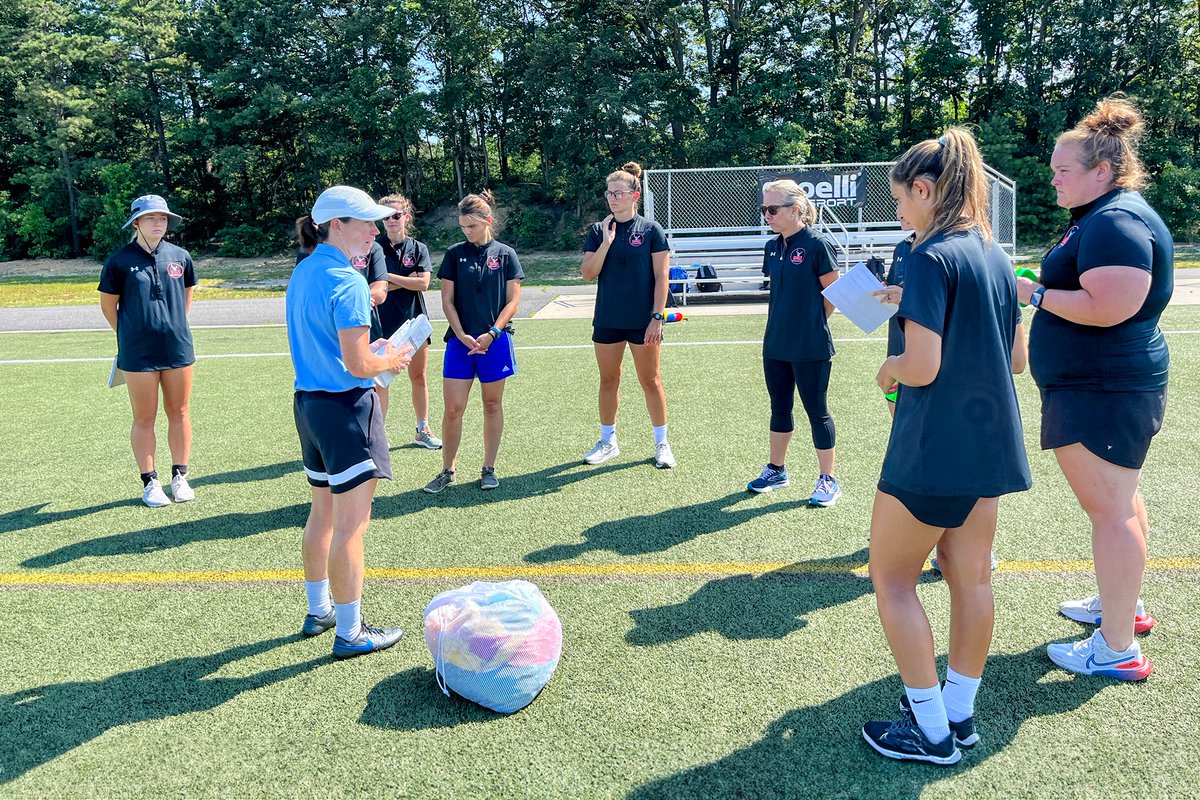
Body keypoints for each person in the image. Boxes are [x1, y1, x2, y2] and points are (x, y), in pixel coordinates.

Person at [862, 129, 1031, 765]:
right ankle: (958, 714)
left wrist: (890, 369)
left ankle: (931, 731)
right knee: (972, 580)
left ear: (927, 191)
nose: (897, 211)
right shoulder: (993, 252)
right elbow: (1017, 358)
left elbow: (923, 366)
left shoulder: (928, 255)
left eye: (900, 199)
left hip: (934, 447)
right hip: (989, 445)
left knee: (893, 581)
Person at [1019, 96, 1171, 681]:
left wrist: (1031, 294)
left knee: (1109, 511)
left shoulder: (1115, 220)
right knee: (1119, 503)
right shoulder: (1104, 214)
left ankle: (1115, 648)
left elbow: (1110, 305)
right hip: (1100, 384)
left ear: (1101, 171)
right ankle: (1121, 609)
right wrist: (1041, 283)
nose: (1052, 178)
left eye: (1062, 170)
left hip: (1103, 387)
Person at [287, 185, 413, 659]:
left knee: (322, 514)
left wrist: (370, 357)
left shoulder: (305, 270)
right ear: (337, 225)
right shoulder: (347, 278)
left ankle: (319, 610)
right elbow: (359, 363)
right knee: (351, 527)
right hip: (345, 409)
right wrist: (390, 357)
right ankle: (351, 631)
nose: (375, 232)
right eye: (365, 223)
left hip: (309, 406)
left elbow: (335, 349)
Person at [98, 195, 198, 508]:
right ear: (137, 222)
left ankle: (180, 476)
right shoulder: (118, 261)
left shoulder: (180, 256)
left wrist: (171, 327)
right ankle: (150, 482)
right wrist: (131, 334)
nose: (159, 223)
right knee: (144, 417)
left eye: (163, 218)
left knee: (179, 411)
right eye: (152, 218)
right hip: (137, 352)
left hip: (177, 348)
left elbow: (185, 298)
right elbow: (108, 306)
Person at [746, 180, 842, 506]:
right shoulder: (772, 247)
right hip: (775, 344)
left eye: (772, 209)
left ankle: (828, 479)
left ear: (795, 210)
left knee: (817, 411)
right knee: (779, 408)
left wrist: (812, 324)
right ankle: (777, 469)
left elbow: (834, 294)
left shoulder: (816, 244)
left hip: (811, 346)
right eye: (764, 210)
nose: (767, 215)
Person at [423, 190, 523, 493]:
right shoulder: (454, 254)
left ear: (487, 221)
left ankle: (489, 468)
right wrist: (462, 334)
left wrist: (492, 332)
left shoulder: (506, 254)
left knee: (492, 405)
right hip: (460, 344)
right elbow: (447, 301)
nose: (467, 232)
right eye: (463, 227)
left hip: (495, 341)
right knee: (453, 408)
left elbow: (512, 302)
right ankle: (447, 469)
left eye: (472, 227)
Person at [580, 161, 676, 469]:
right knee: (608, 380)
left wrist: (656, 317)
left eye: (619, 193)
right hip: (607, 318)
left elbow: (662, 277)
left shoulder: (651, 230)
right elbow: (588, 274)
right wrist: (606, 244)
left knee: (651, 381)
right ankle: (608, 441)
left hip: (643, 320)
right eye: (609, 193)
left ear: (635, 195)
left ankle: (662, 443)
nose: (613, 198)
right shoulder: (598, 231)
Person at [375, 193, 441, 450]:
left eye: (396, 215)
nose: (391, 220)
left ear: (406, 217)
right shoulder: (373, 247)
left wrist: (389, 277)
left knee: (419, 376)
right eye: (386, 216)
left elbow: (423, 283)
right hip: (382, 323)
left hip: (414, 323)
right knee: (380, 382)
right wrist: (406, 279)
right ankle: (378, 436)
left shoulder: (418, 248)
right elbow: (372, 286)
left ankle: (422, 429)